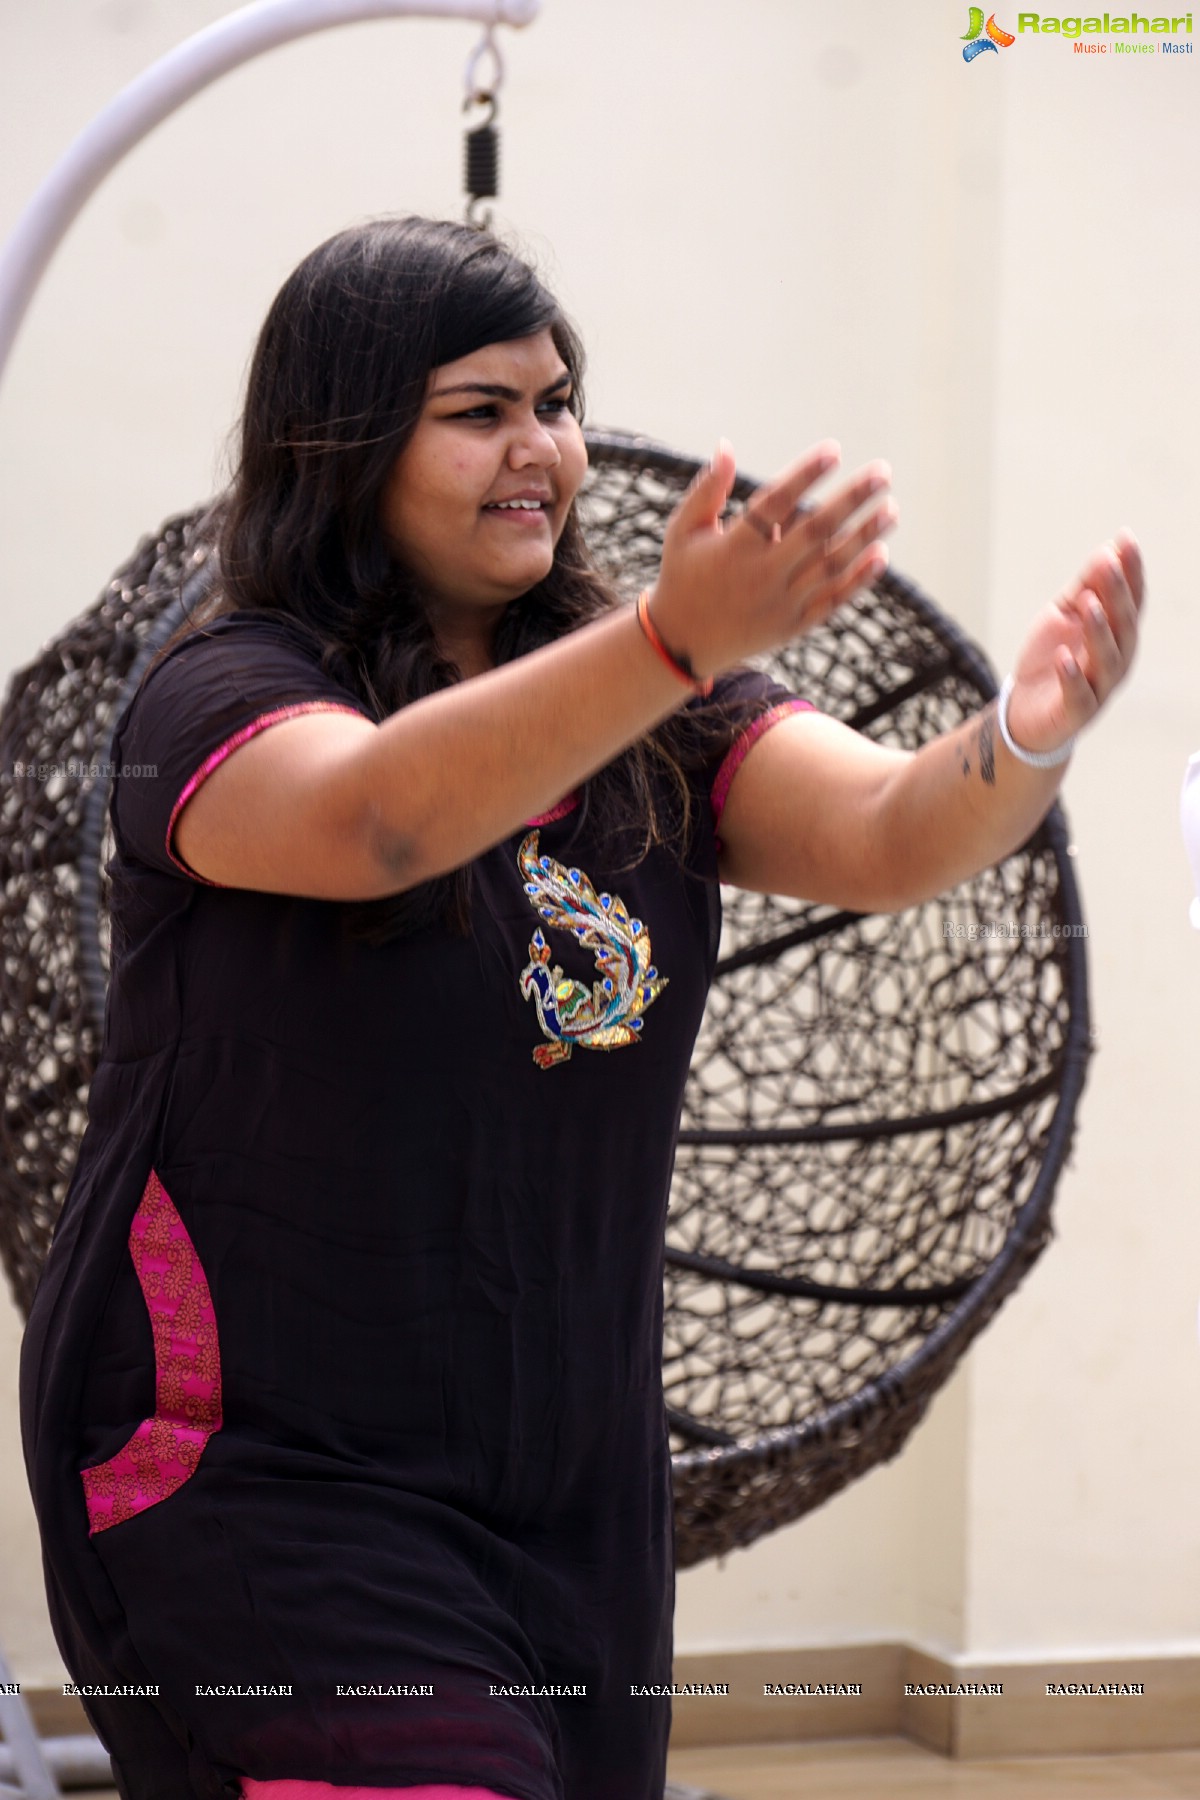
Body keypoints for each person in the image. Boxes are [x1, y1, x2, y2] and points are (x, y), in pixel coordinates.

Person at [18, 215, 1143, 1800]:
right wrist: (673, 638)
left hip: (569, 1491)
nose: (542, 448)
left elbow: (893, 835)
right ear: (340, 442)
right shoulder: (218, 690)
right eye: (480, 411)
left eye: (557, 401)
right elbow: (380, 822)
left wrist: (1022, 743)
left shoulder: (664, 715)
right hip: (260, 1474)